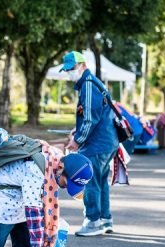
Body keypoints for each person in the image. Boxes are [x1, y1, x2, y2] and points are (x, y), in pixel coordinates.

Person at [60, 51, 119, 237]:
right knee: (101, 181)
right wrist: (77, 133)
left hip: (97, 143)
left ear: (82, 65)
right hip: (107, 141)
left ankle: (93, 222)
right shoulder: (93, 83)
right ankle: (105, 219)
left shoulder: (87, 84)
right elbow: (93, 116)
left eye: (72, 68)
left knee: (91, 181)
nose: (70, 73)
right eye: (67, 70)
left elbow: (89, 119)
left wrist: (77, 140)